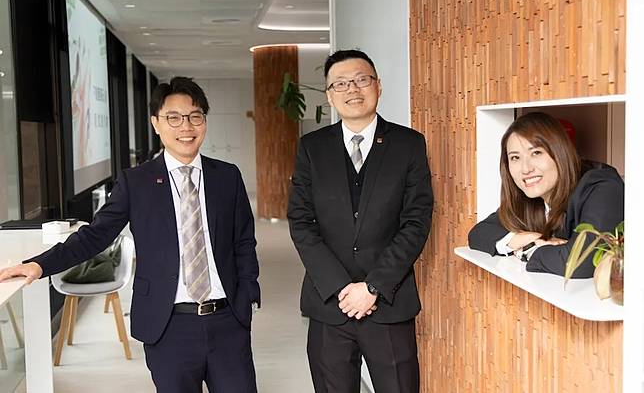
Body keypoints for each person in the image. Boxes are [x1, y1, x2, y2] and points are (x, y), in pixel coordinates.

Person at [0, 77, 260, 393]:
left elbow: (243, 241)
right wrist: (39, 265)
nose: (186, 126)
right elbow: (95, 236)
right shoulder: (136, 182)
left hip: (227, 320)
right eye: (174, 118)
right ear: (156, 123)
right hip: (168, 325)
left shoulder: (227, 176)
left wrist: (247, 295)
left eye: (195, 116)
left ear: (204, 121)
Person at [287, 49, 434, 393]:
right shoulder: (312, 148)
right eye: (340, 83)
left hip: (388, 302)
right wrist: (341, 287)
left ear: (378, 86)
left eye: (361, 80)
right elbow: (301, 221)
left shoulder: (408, 144)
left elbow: (416, 221)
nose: (352, 89)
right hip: (329, 303)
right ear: (329, 95)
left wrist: (372, 287)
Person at [468, 111, 624, 277]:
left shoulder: (601, 185)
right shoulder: (530, 197)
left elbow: (580, 262)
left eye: (536, 153)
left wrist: (529, 250)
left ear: (560, 152)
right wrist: (523, 238)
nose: (525, 169)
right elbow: (479, 234)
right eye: (515, 157)